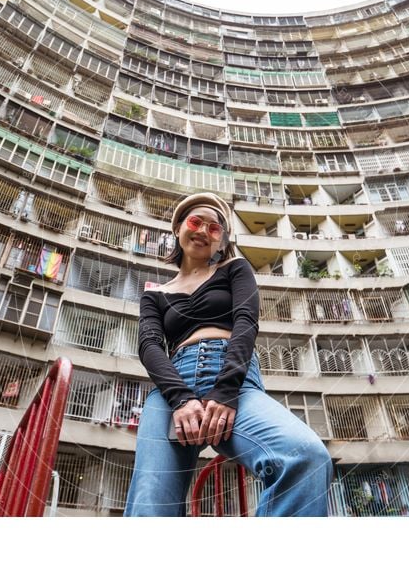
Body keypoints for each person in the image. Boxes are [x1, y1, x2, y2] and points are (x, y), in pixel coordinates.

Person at [124, 192, 332, 517]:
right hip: (173, 388)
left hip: (236, 380)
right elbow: (149, 346)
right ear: (178, 227)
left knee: (304, 456)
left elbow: (246, 322)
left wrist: (226, 390)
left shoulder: (235, 268)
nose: (204, 231)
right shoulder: (155, 295)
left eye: (215, 228)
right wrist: (180, 399)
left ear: (221, 239)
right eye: (196, 222)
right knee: (151, 501)